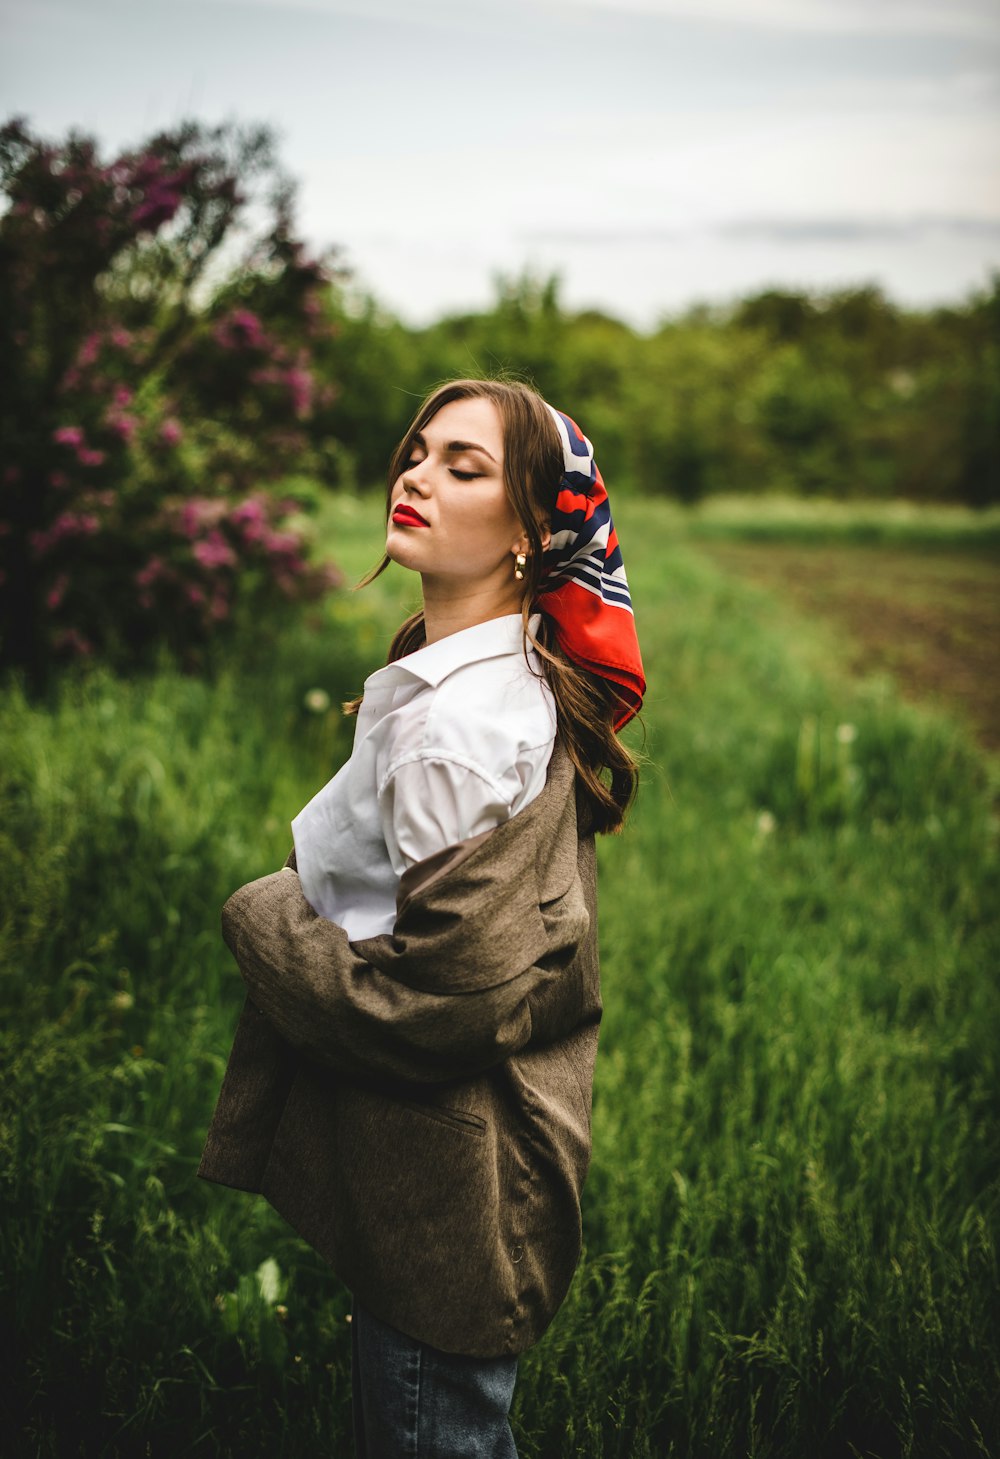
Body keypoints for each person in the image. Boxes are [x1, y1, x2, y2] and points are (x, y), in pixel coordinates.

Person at [198, 378, 645, 1457]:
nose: (417, 476)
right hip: (446, 1162)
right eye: (418, 452)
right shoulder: (481, 681)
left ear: (534, 533)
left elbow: (436, 1005)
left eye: (465, 466)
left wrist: (263, 917)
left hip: (455, 1188)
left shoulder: (460, 726)